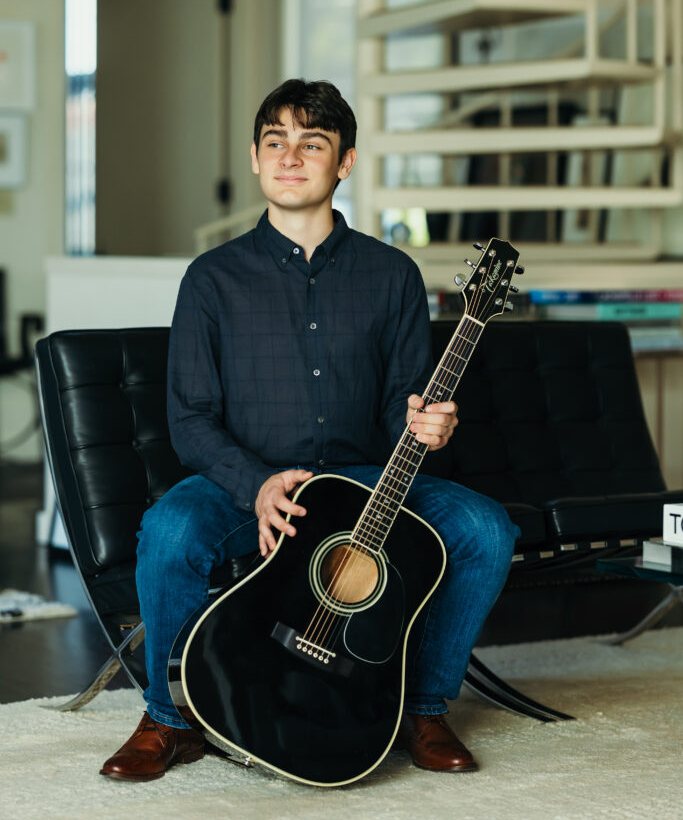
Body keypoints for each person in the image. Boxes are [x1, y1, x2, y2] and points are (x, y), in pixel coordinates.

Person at [100, 78, 518, 783]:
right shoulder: (211, 279)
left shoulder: (391, 276)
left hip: (362, 480)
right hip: (244, 482)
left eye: (311, 143)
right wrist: (255, 484)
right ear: (257, 160)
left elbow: (399, 412)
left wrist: (430, 427)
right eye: (275, 143)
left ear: (343, 163)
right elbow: (190, 418)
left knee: (484, 528)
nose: (290, 157)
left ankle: (421, 706)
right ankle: (166, 719)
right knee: (170, 533)